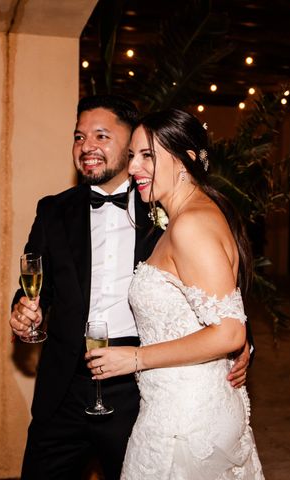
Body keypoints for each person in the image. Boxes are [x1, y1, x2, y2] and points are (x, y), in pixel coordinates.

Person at [10, 96, 252, 480]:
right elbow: (37, 288)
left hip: (136, 395)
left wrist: (240, 345)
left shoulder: (167, 210)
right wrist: (23, 311)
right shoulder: (53, 211)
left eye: (101, 135)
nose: (86, 145)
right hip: (65, 391)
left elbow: (219, 297)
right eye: (78, 136)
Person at [85, 108, 264, 479]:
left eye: (147, 155)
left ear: (186, 159)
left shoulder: (192, 224)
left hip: (185, 423)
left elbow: (230, 331)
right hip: (175, 406)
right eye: (132, 155)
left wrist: (136, 358)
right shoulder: (186, 215)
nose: (133, 167)